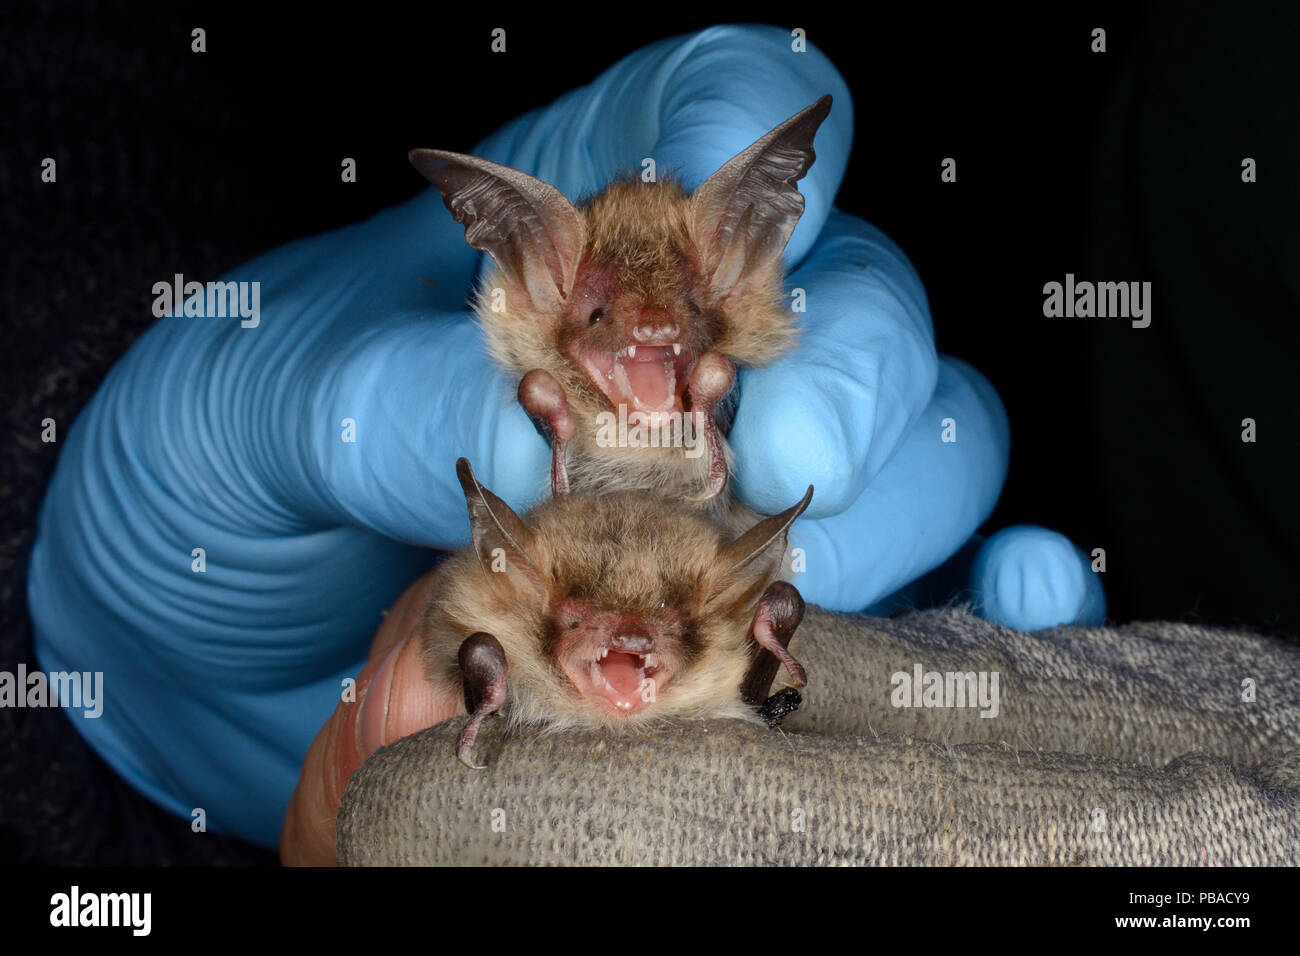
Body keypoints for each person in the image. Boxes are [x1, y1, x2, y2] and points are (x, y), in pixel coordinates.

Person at [26, 25, 1102, 863]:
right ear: (540, 284)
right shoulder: (536, 437)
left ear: (728, 271)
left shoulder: (718, 407)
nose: (646, 337)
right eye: (608, 321)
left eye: (673, 318)